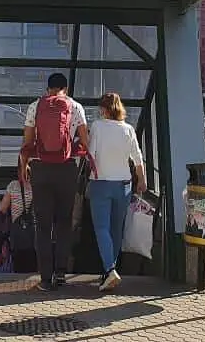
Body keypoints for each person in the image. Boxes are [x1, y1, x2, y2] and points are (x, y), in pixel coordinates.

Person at [21, 72, 88, 292]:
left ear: (47, 88)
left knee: (42, 226)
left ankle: (45, 279)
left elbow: (28, 142)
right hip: (67, 169)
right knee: (64, 222)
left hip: (41, 169)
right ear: (65, 89)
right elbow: (85, 141)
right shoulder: (76, 107)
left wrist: (24, 168)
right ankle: (61, 273)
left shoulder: (34, 106)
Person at [87, 93, 146, 291]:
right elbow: (137, 158)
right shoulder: (128, 129)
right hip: (124, 185)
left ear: (103, 109)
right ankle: (109, 273)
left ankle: (110, 269)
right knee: (116, 230)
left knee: (101, 228)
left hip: (101, 183)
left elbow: (91, 154)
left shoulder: (97, 126)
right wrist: (142, 181)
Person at [0, 161, 36, 273]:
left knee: (18, 264)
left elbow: (2, 209)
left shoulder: (13, 185)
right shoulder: (39, 186)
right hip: (36, 233)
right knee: (34, 263)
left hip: (18, 234)